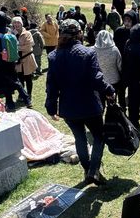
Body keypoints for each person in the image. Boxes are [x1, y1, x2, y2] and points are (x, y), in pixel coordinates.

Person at [45, 19, 115, 185]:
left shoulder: (53, 56)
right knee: (99, 136)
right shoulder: (87, 53)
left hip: (69, 108)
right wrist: (109, 91)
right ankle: (93, 170)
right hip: (89, 104)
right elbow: (97, 78)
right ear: (78, 34)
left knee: (80, 139)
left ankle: (87, 170)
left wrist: (51, 106)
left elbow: (51, 85)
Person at [0, 11, 31, 111]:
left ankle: (10, 103)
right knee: (15, 79)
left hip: (0, 63)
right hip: (11, 60)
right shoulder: (8, 30)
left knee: (5, 82)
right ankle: (26, 98)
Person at [94, 30, 124, 111]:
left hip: (99, 80)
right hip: (114, 80)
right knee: (112, 102)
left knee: (100, 102)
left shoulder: (93, 50)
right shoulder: (114, 50)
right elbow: (120, 65)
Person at [12, 17, 38, 104]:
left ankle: (29, 94)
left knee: (28, 78)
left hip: (27, 59)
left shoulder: (27, 33)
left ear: (21, 23)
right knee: (20, 79)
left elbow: (28, 47)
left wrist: (16, 47)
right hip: (17, 60)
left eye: (18, 23)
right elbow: (9, 46)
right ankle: (22, 94)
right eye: (15, 23)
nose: (16, 25)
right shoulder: (12, 34)